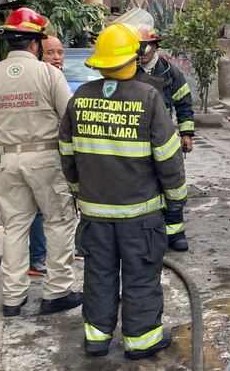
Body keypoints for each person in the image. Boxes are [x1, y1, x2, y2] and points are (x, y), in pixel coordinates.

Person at [59, 23, 186, 359]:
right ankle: (141, 341)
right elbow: (168, 156)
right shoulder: (148, 98)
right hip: (140, 216)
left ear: (99, 62)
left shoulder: (80, 98)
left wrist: (79, 191)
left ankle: (97, 340)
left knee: (98, 275)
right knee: (141, 275)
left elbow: (67, 153)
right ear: (133, 59)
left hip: (94, 215)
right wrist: (176, 199)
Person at [0, 7, 82, 317]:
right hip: (47, 159)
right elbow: (69, 119)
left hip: (8, 161)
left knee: (14, 228)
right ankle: (56, 292)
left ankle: (12, 298)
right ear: (36, 44)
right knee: (59, 222)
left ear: (9, 41)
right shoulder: (50, 74)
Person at [136, 26, 194, 252]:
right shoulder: (128, 70)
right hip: (137, 138)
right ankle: (147, 232)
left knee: (172, 183)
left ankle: (175, 233)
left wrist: (186, 133)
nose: (140, 52)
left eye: (145, 46)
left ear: (155, 46)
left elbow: (184, 103)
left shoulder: (170, 72)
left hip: (165, 136)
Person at [28, 35, 67, 276]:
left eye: (60, 52)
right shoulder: (41, 78)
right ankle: (38, 258)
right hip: (41, 153)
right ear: (38, 54)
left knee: (61, 207)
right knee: (41, 210)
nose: (57, 57)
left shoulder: (58, 78)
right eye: (50, 52)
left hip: (58, 152)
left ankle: (58, 252)